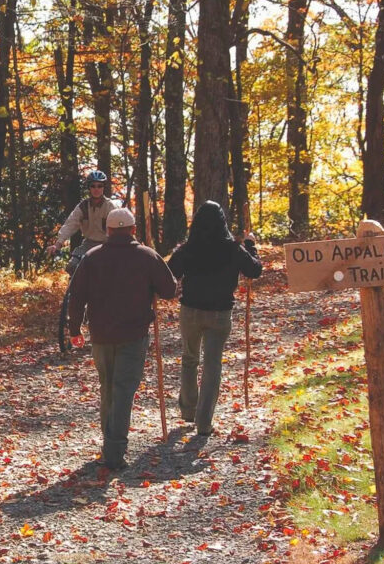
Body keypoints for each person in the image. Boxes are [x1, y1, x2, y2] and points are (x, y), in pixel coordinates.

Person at [67, 207, 177, 470]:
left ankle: (110, 443)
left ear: (108, 230)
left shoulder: (92, 258)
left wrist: (74, 330)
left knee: (108, 388)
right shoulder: (147, 256)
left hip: (101, 335)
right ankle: (114, 451)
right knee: (123, 390)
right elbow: (170, 290)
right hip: (133, 335)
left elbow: (76, 296)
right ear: (133, 230)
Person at [166, 201, 262, 437]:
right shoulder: (232, 248)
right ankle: (203, 421)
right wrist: (251, 246)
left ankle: (188, 410)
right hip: (219, 314)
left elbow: (170, 273)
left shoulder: (189, 248)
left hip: (190, 311)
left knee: (190, 359)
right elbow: (254, 270)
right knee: (212, 365)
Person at [47, 169, 120, 273]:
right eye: (93, 186)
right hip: (88, 244)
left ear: (104, 187)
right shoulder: (83, 206)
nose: (96, 189)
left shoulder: (111, 206)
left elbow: (120, 228)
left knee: (113, 271)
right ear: (89, 188)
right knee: (72, 267)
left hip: (107, 245)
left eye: (100, 186)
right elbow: (70, 224)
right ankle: (74, 289)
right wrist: (58, 244)